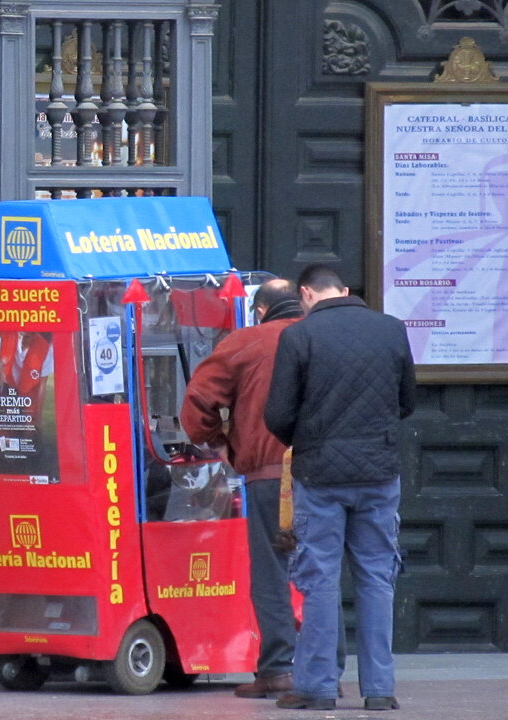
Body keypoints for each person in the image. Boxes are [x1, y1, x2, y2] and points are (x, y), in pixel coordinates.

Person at [263, 264, 416, 712]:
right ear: (344, 290)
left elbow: (277, 414)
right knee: (377, 578)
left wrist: (308, 439)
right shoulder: (391, 329)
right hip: (379, 473)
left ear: (306, 294)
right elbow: (408, 401)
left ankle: (317, 687)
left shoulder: (299, 336)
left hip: (320, 476)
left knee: (320, 579)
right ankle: (380, 689)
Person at [179, 278, 304, 699]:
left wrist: (219, 442)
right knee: (321, 572)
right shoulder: (324, 337)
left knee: (271, 572)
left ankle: (278, 669)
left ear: (261, 310)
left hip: (270, 472)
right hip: (327, 473)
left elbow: (198, 400)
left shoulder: (247, 341)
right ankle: (324, 669)